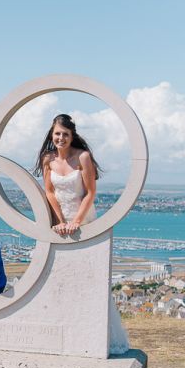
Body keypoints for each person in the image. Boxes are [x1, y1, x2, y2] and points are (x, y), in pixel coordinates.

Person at [35, 113, 128, 353]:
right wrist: (59, 220)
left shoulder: (83, 157)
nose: (61, 138)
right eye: (57, 134)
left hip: (83, 218)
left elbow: (90, 193)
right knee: (58, 274)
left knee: (88, 276)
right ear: (51, 134)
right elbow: (50, 192)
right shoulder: (48, 159)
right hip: (58, 222)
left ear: (72, 135)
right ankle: (62, 331)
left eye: (65, 134)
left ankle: (93, 334)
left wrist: (75, 221)